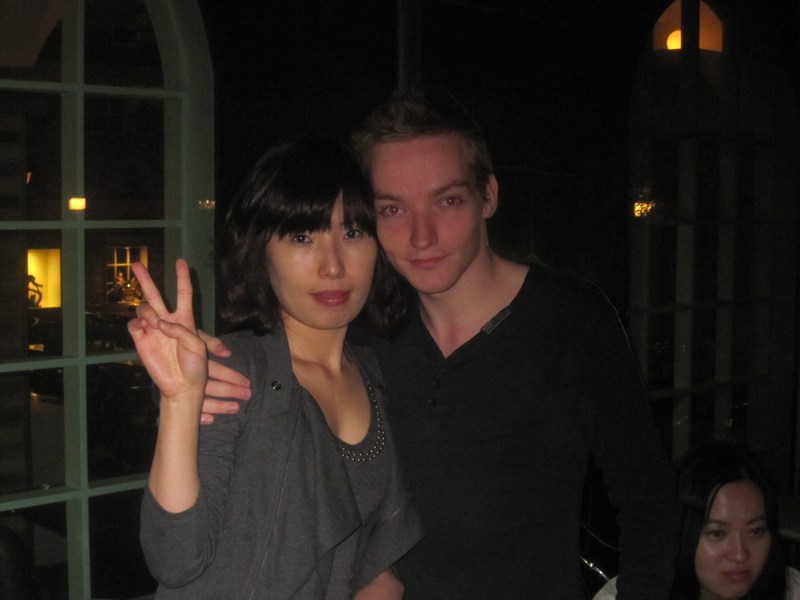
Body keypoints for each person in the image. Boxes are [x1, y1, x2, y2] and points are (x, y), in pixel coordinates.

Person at [201, 87, 681, 599]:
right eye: (392, 209)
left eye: (447, 201)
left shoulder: (570, 321)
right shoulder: (365, 334)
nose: (421, 236)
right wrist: (207, 381)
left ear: (488, 196)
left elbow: (650, 503)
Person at [129, 135, 422, 599]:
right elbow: (176, 558)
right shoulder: (234, 373)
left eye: (352, 233)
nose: (332, 266)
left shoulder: (375, 374)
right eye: (302, 237)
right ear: (261, 250)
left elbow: (375, 548)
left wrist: (384, 580)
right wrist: (180, 402)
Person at [593, 441, 800, 599]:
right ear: (682, 531)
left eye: (755, 531)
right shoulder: (631, 593)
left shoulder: (792, 589)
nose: (740, 554)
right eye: (718, 533)